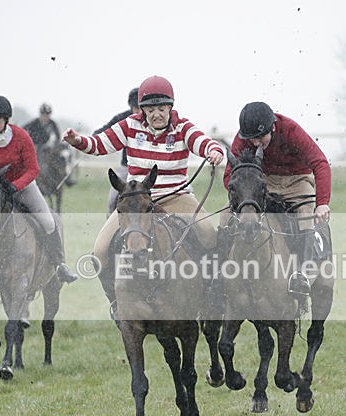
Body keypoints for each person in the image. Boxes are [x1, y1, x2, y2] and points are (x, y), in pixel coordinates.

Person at [62, 75, 224, 316]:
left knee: (209, 236)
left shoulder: (182, 127)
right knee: (100, 249)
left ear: (170, 107)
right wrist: (77, 141)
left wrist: (214, 151)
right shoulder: (129, 125)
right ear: (143, 110)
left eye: (162, 108)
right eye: (151, 109)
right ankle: (116, 303)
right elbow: (99, 144)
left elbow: (203, 142)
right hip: (136, 201)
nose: (157, 114)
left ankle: (211, 295)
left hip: (176, 195)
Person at [0, 95, 79, 293]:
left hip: (23, 187)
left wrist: (15, 186)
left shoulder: (21, 137)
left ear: (6, 120)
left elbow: (33, 169)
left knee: (48, 222)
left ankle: (60, 265)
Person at [222, 101, 332, 297]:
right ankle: (219, 273)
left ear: (272, 127)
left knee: (306, 216)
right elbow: (230, 176)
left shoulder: (291, 130)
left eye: (260, 137)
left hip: (297, 179)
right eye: (251, 139)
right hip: (264, 182)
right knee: (225, 213)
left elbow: (321, 163)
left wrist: (322, 202)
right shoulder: (243, 139)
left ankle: (302, 275)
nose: (255, 143)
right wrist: (245, 195)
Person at [92, 87, 140, 215]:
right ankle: (111, 229)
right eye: (135, 107)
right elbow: (105, 131)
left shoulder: (151, 119)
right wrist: (94, 137)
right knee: (113, 199)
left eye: (140, 107)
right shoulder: (122, 118)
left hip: (146, 168)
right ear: (130, 106)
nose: (138, 111)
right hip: (127, 167)